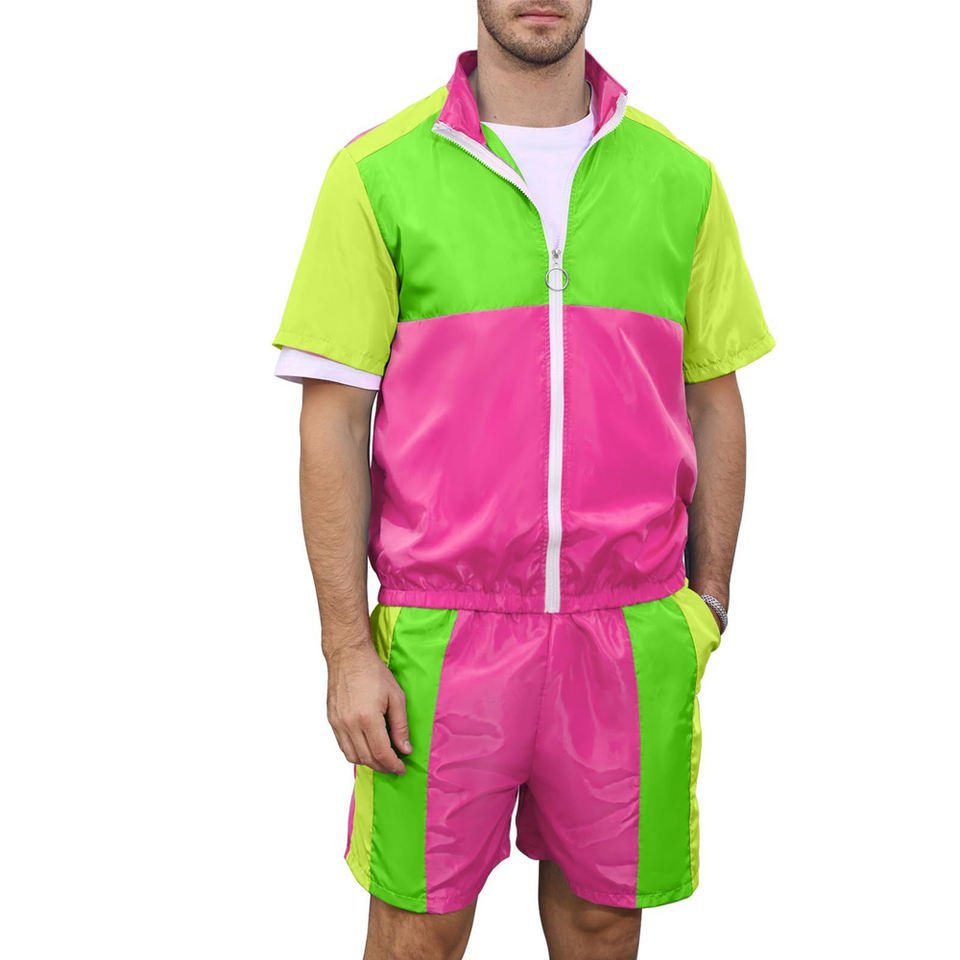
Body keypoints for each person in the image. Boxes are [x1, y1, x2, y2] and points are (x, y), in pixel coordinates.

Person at [271, 2, 775, 957]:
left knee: (600, 923)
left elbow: (715, 399)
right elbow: (331, 422)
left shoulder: (682, 180)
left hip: (628, 631)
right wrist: (345, 649)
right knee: (416, 930)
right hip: (440, 635)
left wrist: (705, 603)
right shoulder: (378, 174)